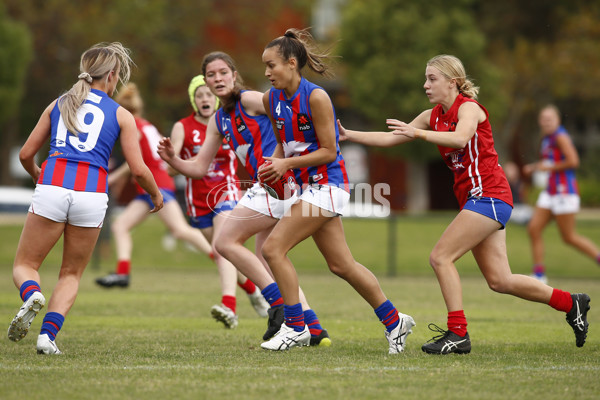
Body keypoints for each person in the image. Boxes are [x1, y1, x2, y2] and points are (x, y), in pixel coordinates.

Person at [339, 54, 590, 354]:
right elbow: (392, 139)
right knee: (500, 280)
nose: (426, 85)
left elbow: (460, 139)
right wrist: (347, 135)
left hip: (491, 196)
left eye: (432, 79)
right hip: (479, 201)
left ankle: (458, 333)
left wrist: (417, 132)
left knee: (440, 257)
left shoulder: (469, 108)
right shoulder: (432, 115)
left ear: (453, 82)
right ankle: (571, 303)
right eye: (426, 78)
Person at [257, 28, 415, 353]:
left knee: (273, 249)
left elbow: (330, 150)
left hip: (329, 186)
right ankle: (394, 321)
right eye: (265, 66)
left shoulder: (315, 97)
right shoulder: (269, 99)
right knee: (342, 265)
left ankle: (295, 326)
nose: (266, 72)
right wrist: (270, 165)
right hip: (308, 188)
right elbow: (282, 147)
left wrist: (285, 166)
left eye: (271, 65)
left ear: (291, 63)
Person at [158, 51, 331, 346]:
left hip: (279, 181)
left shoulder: (249, 100)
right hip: (269, 185)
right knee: (269, 257)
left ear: (234, 75)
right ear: (206, 83)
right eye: (211, 75)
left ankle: (278, 306)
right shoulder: (219, 119)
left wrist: (285, 154)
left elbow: (283, 109)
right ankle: (313, 328)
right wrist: (173, 160)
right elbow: (199, 168)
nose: (218, 79)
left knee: (226, 242)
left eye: (223, 72)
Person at [7, 42, 163, 355]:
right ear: (113, 75)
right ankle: (47, 337)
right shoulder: (121, 114)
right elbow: (138, 169)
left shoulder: (59, 103)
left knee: (25, 265)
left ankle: (32, 293)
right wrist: (156, 194)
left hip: (54, 185)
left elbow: (25, 153)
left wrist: (38, 173)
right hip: (92, 195)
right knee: (71, 273)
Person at [168, 74, 269, 327]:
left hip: (227, 192)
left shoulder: (227, 121)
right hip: (197, 200)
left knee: (220, 246)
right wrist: (171, 159)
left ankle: (229, 306)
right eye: (199, 95)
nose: (204, 99)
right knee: (222, 254)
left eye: (208, 94)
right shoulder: (183, 127)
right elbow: (172, 167)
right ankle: (252, 290)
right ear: (194, 100)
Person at [95, 83, 213, 288]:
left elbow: (134, 162)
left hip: (157, 185)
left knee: (179, 230)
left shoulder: (133, 128)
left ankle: (221, 255)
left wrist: (111, 179)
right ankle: (122, 274)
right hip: (151, 186)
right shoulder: (148, 125)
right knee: (120, 225)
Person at [523, 105, 600, 283]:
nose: (546, 122)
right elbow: (549, 161)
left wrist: (547, 167)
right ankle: (539, 274)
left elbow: (573, 161)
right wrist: (535, 166)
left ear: (557, 120)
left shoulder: (561, 136)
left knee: (569, 237)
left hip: (564, 192)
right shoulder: (547, 138)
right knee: (534, 228)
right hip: (550, 191)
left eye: (549, 119)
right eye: (543, 119)